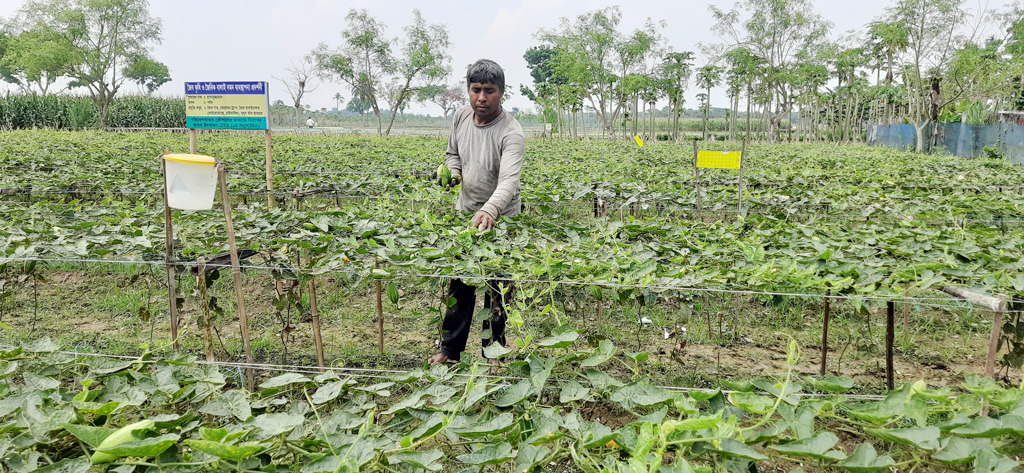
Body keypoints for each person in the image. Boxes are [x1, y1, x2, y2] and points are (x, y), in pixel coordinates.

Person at [428, 59, 525, 365]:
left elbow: (509, 180)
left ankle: (493, 352)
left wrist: (490, 211)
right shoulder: (460, 117)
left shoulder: (512, 132)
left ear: (502, 93)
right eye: (476, 90)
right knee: (460, 286)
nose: (481, 97)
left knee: (498, 292)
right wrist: (453, 173)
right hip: (466, 214)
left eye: (489, 91)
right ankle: (449, 350)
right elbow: (453, 154)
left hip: (503, 220)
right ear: (468, 91)